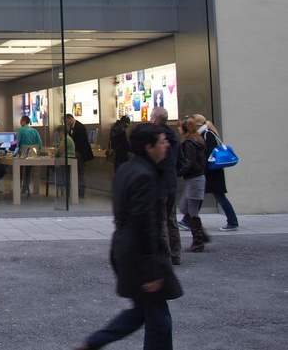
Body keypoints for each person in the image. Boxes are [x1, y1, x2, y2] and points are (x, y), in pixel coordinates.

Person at [75, 123, 182, 350]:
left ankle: (93, 343)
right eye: (162, 141)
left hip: (125, 247)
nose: (166, 146)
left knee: (142, 311)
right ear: (148, 147)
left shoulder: (127, 169)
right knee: (159, 320)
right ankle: (93, 343)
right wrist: (152, 270)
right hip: (139, 253)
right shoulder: (145, 175)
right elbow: (144, 223)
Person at [149, 107, 181, 266]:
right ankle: (176, 255)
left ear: (154, 119)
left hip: (160, 183)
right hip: (172, 181)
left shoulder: (156, 137)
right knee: (171, 220)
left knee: (161, 220)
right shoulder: (174, 136)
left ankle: (166, 256)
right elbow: (179, 160)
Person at [179, 113, 210, 252]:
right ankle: (201, 236)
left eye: (180, 127)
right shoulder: (196, 140)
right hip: (195, 178)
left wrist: (179, 172)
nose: (178, 129)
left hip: (195, 179)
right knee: (184, 208)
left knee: (191, 210)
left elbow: (189, 162)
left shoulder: (189, 143)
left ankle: (198, 240)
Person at [201, 120, 239, 231]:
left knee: (219, 197)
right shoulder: (206, 134)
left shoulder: (208, 134)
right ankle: (187, 220)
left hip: (213, 171)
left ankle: (233, 221)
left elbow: (209, 153)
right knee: (202, 195)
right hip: (212, 171)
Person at [67, 113, 94, 199]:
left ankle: (81, 191)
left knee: (80, 173)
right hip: (76, 153)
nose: (67, 123)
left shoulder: (80, 128)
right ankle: (77, 191)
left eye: (67, 121)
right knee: (78, 173)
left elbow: (81, 143)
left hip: (80, 154)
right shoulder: (72, 128)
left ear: (71, 119)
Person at [16, 115, 42, 197]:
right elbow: (39, 141)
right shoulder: (34, 131)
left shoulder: (20, 130)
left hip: (22, 153)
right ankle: (25, 187)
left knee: (19, 171)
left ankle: (18, 187)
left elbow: (18, 141)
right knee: (28, 171)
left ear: (24, 121)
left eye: (21, 120)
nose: (20, 122)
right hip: (32, 154)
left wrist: (16, 151)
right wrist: (39, 151)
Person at [54, 124, 77, 197]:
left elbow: (60, 150)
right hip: (70, 157)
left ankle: (61, 184)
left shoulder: (65, 139)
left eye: (58, 132)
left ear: (61, 132)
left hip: (67, 158)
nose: (58, 134)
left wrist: (54, 155)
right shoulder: (68, 138)